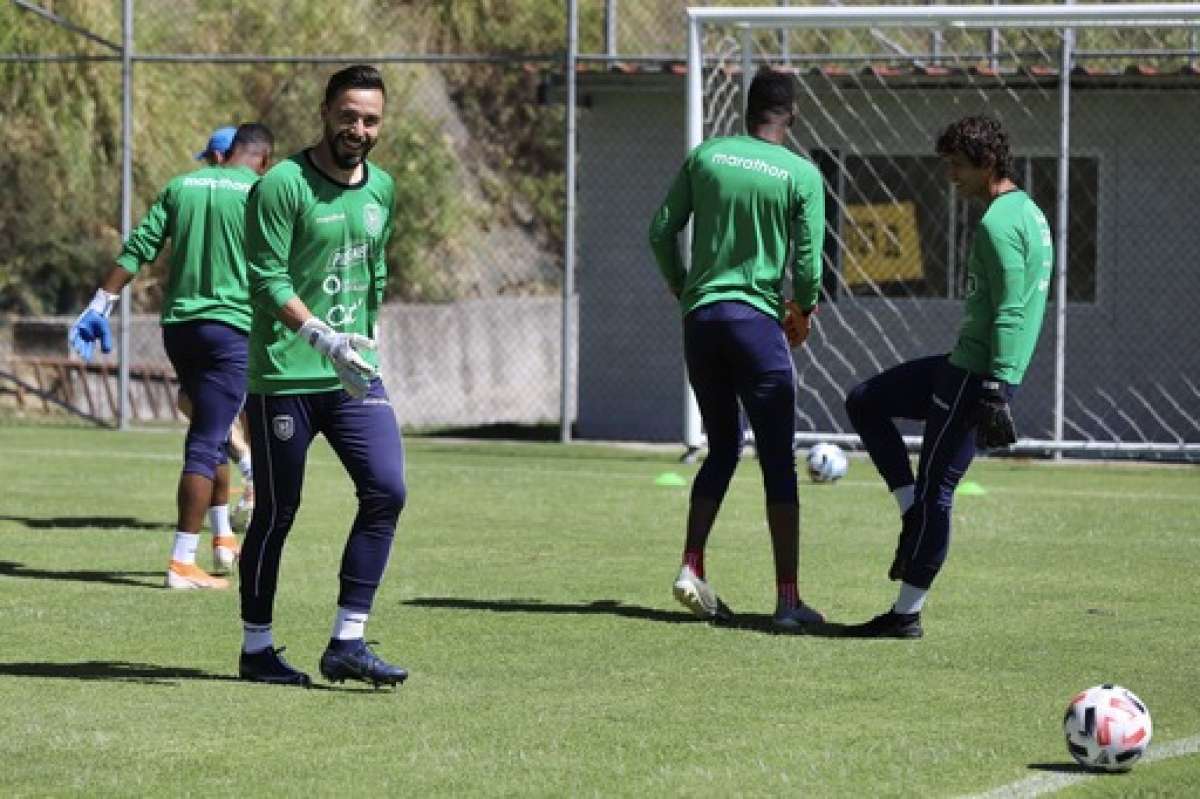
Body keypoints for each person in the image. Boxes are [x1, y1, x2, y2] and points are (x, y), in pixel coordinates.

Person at [842, 114, 1053, 639]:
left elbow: (1009, 308)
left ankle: (905, 614)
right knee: (865, 400)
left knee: (939, 491)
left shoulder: (998, 223)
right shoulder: (1029, 210)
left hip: (976, 374)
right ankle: (908, 508)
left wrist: (995, 386)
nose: (950, 176)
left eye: (957, 166)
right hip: (967, 365)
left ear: (987, 164)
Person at [236, 64, 408, 688]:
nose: (358, 129)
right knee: (278, 512)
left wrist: (369, 341)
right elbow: (267, 278)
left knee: (387, 489)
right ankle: (256, 649)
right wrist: (320, 335)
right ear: (325, 112)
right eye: (349, 116)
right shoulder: (282, 184)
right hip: (287, 374)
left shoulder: (382, 188)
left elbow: (377, 267)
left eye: (370, 119)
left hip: (353, 378)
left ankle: (348, 642)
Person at [647, 68, 827, 632]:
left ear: (747, 111)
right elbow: (808, 265)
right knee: (777, 459)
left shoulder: (707, 156)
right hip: (756, 326)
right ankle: (788, 601)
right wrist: (805, 309)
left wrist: (681, 284)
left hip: (701, 322)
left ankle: (691, 564)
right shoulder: (801, 173)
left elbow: (660, 229)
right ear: (791, 115)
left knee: (722, 446)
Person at [68, 123, 276, 589]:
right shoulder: (262, 194)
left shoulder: (181, 186)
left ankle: (222, 539)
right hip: (231, 331)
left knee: (213, 428)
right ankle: (182, 561)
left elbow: (138, 248)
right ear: (265, 160)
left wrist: (101, 303)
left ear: (230, 152)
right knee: (207, 439)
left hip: (180, 328)